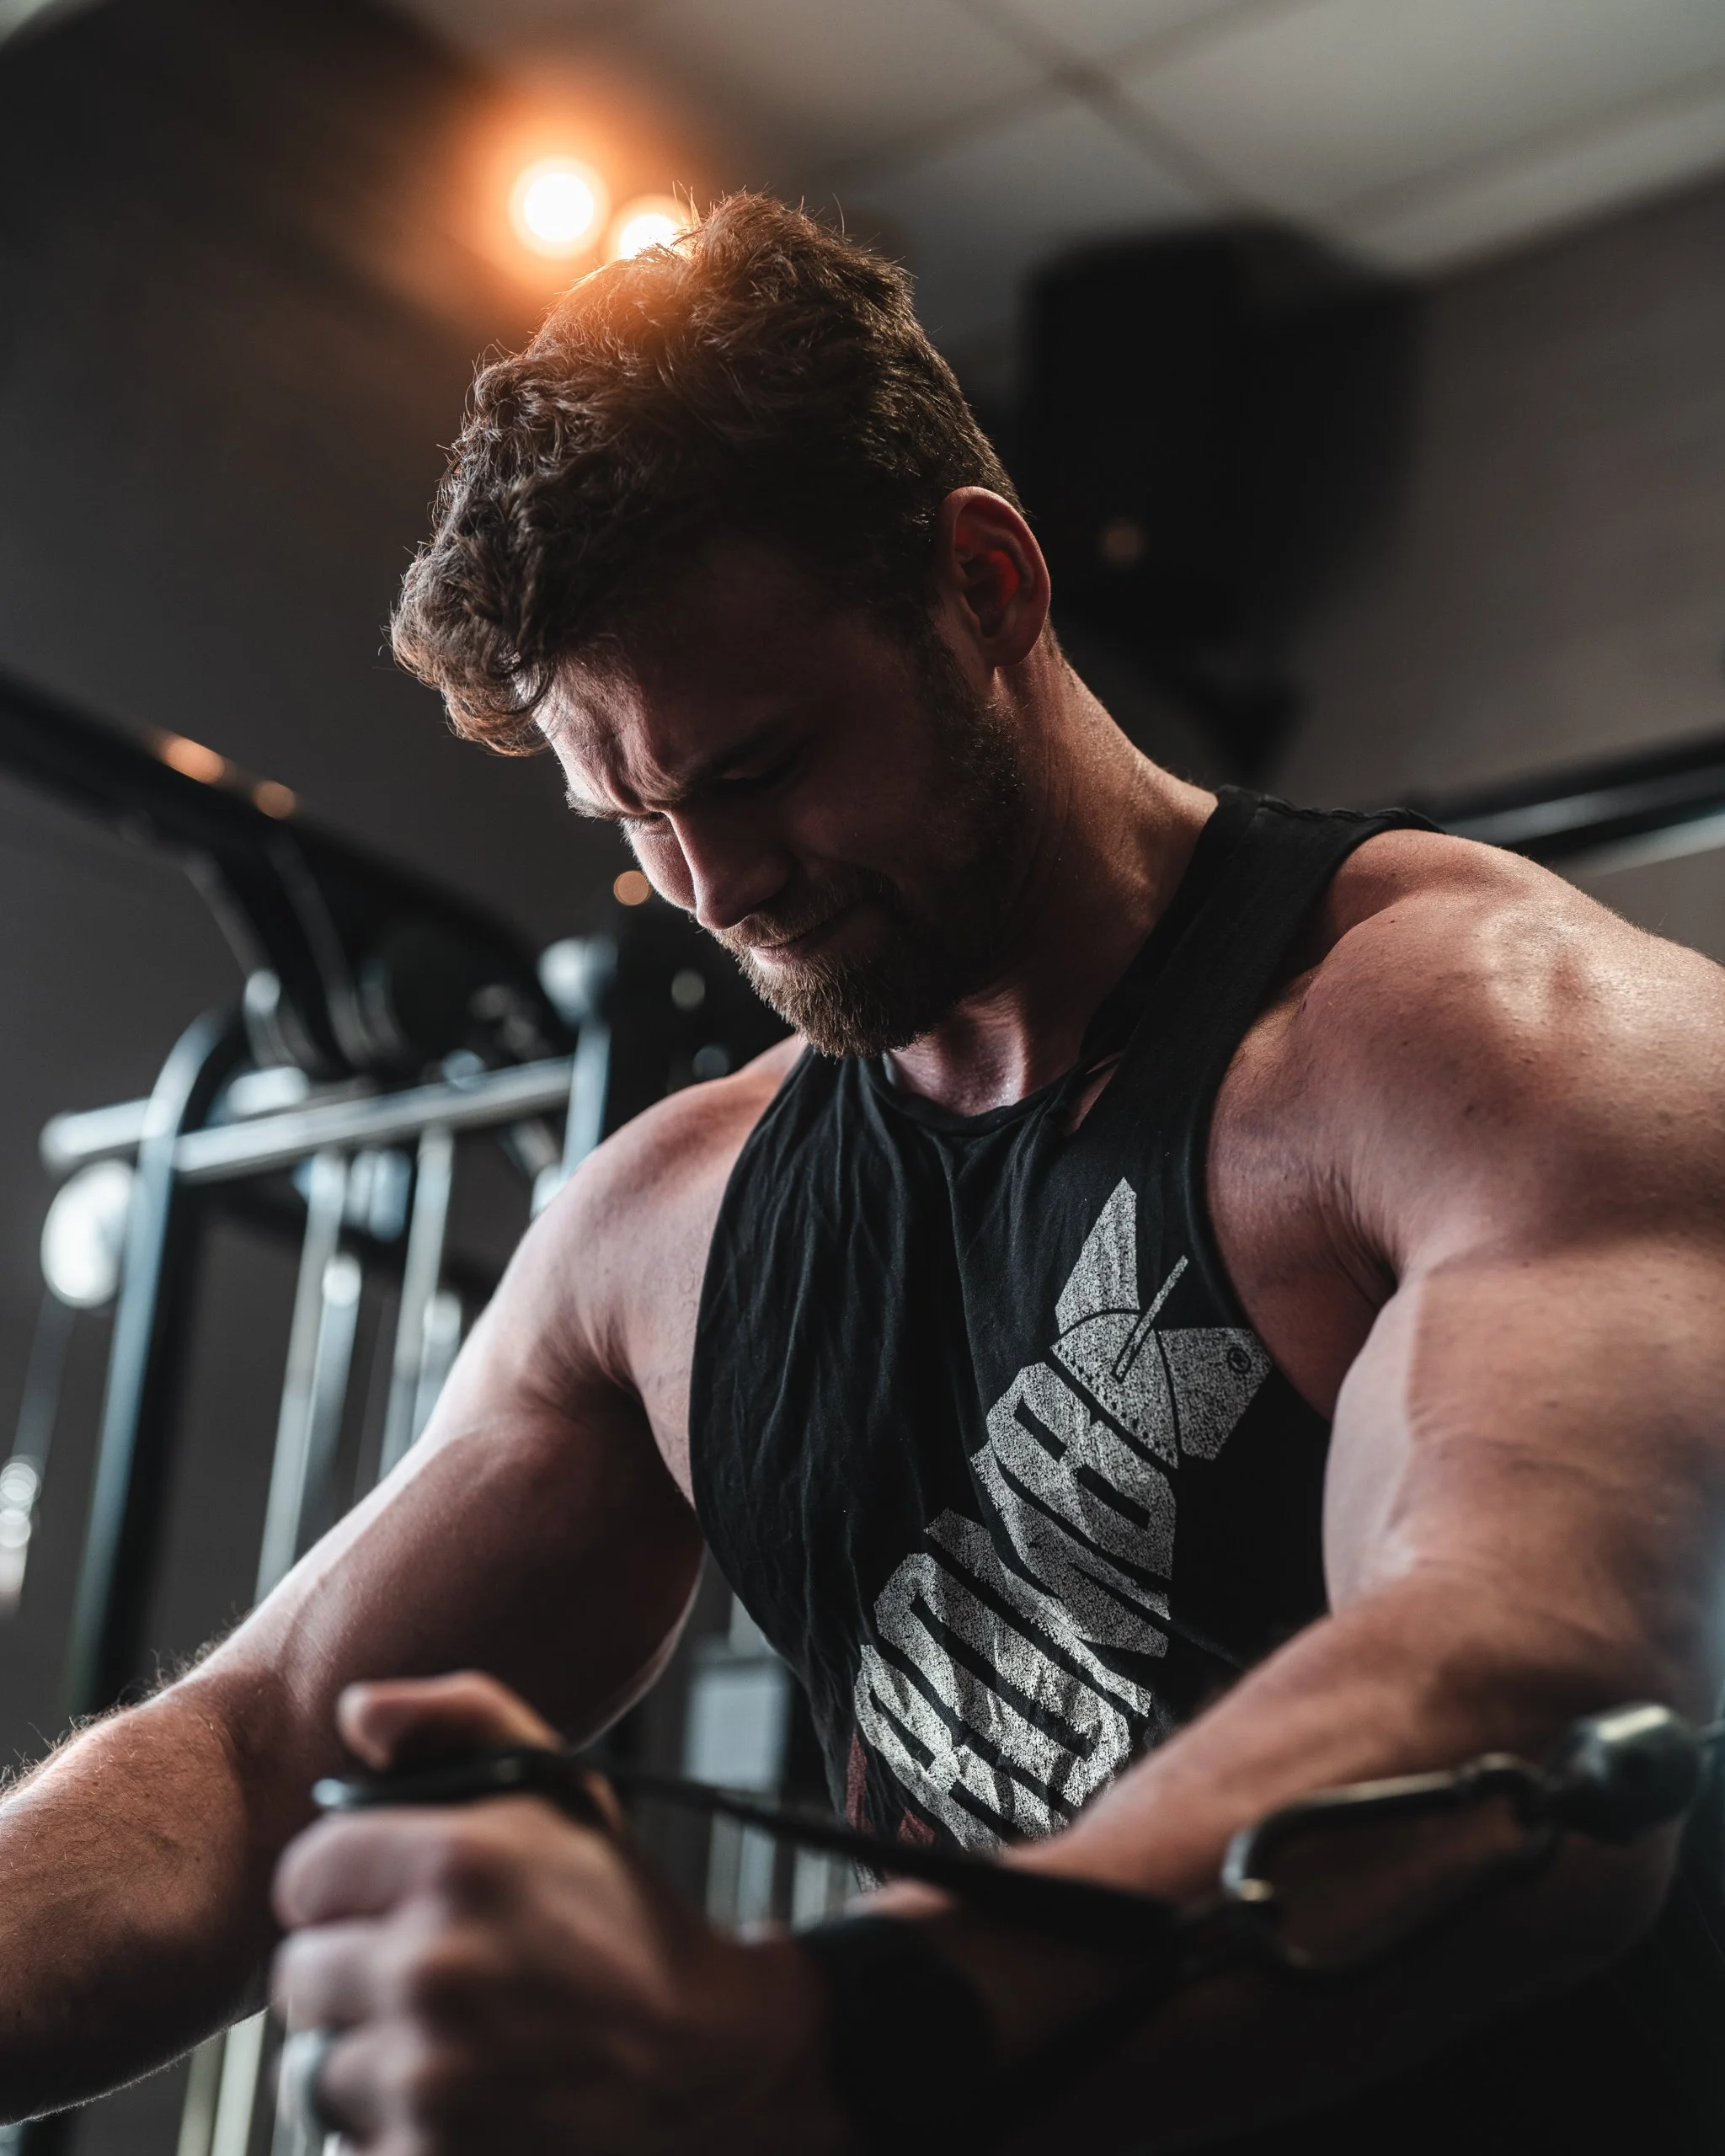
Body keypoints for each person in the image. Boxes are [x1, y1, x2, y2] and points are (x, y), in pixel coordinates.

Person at [5, 192, 1725, 2156]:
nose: (714, 885)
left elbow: (1543, 1708)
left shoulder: (1472, 1033)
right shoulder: (670, 1230)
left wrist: (796, 2040)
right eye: (629, 815)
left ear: (985, 587)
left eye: (751, 766)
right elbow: (245, 1761)